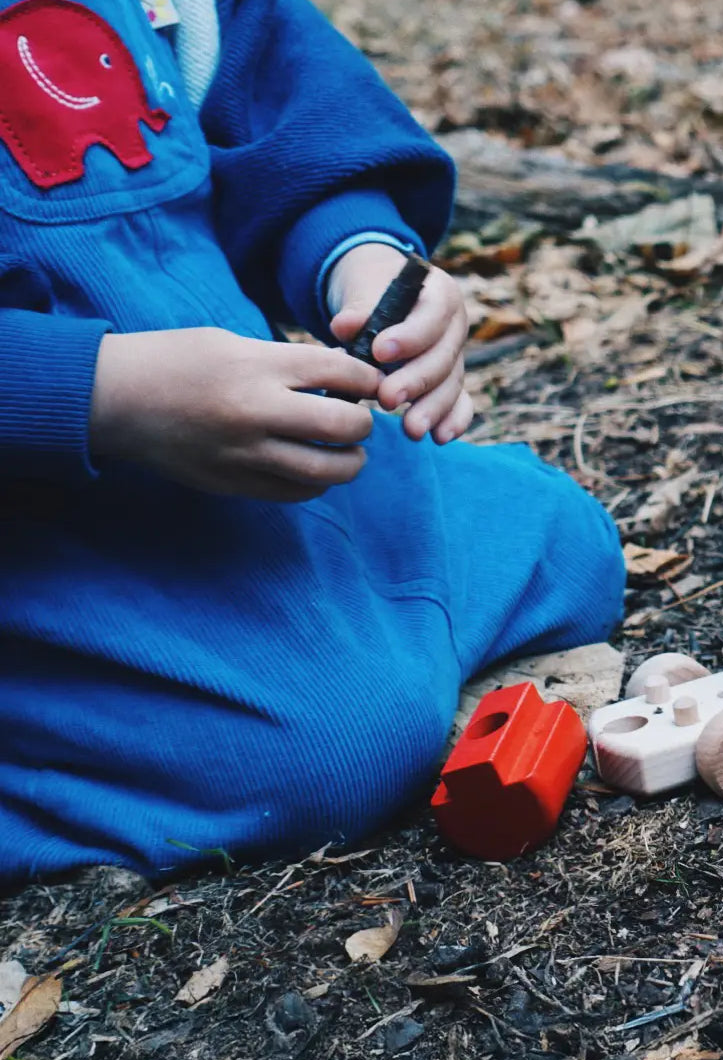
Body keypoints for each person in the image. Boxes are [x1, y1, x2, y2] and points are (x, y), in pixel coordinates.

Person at [0, 0, 625, 882]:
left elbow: (267, 107)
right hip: (41, 542)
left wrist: (357, 258)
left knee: (569, 541)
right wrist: (105, 395)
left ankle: (347, 648)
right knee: (336, 750)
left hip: (239, 464)